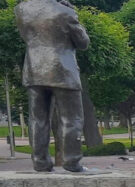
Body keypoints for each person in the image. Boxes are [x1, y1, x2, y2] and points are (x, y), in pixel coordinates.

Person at [15, 0, 90, 173]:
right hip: (63, 71)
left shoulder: (21, 10)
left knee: (37, 119)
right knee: (71, 119)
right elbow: (83, 43)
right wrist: (73, 14)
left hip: (34, 70)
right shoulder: (64, 12)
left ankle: (40, 162)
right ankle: (72, 162)